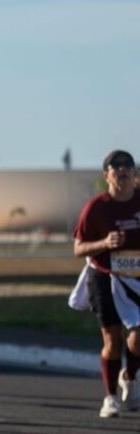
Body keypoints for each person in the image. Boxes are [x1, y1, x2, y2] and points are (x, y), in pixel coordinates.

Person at [73, 149, 140, 418]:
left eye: (127, 166)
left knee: (137, 339)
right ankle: (110, 397)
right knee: (112, 341)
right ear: (107, 175)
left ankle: (130, 376)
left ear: (135, 173)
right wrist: (104, 243)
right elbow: (78, 249)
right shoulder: (96, 208)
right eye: (116, 166)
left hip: (136, 279)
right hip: (104, 276)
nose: (122, 170)